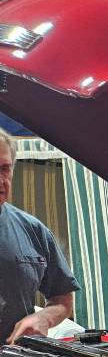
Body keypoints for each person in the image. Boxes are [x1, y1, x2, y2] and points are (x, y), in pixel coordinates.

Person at [0, 129, 80, 343]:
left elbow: (62, 298)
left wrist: (43, 317)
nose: (0, 180)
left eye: (4, 169)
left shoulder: (32, 230)